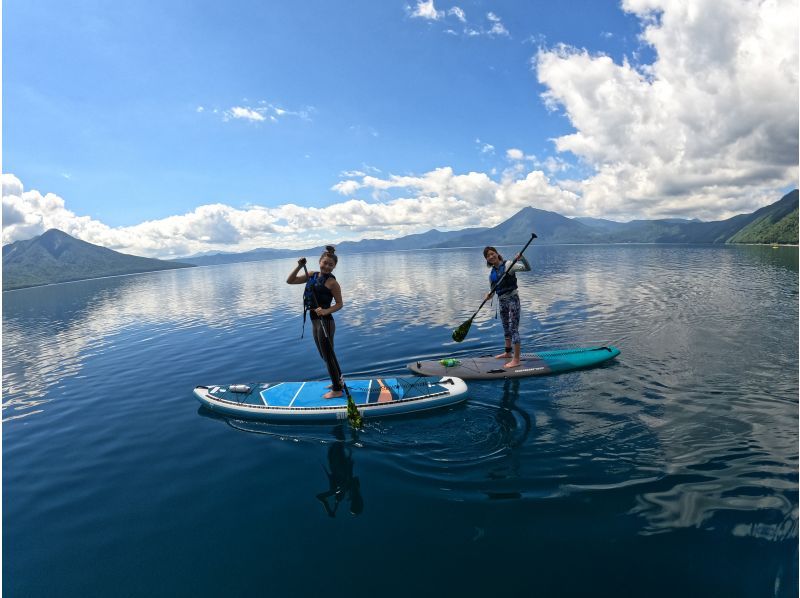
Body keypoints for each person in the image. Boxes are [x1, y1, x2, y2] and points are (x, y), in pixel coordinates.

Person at [287, 245, 344, 399]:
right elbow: (290, 281)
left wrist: (325, 311)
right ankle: (338, 381)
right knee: (324, 355)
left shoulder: (332, 283)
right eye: (325, 263)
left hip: (325, 322)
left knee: (328, 354)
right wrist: (299, 266)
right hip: (314, 321)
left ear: (334, 267)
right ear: (320, 261)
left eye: (330, 264)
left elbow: (339, 304)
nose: (327, 266)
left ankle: (337, 390)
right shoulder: (311, 274)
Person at [483, 246, 531, 368]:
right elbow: (493, 291)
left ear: (497, 254)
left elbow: (527, 268)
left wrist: (522, 259)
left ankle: (516, 359)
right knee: (506, 328)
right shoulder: (492, 274)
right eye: (488, 256)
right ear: (487, 260)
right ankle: (508, 353)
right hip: (502, 301)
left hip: (513, 299)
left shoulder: (509, 264)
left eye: (492, 254)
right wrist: (488, 295)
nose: (491, 256)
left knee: (513, 328)